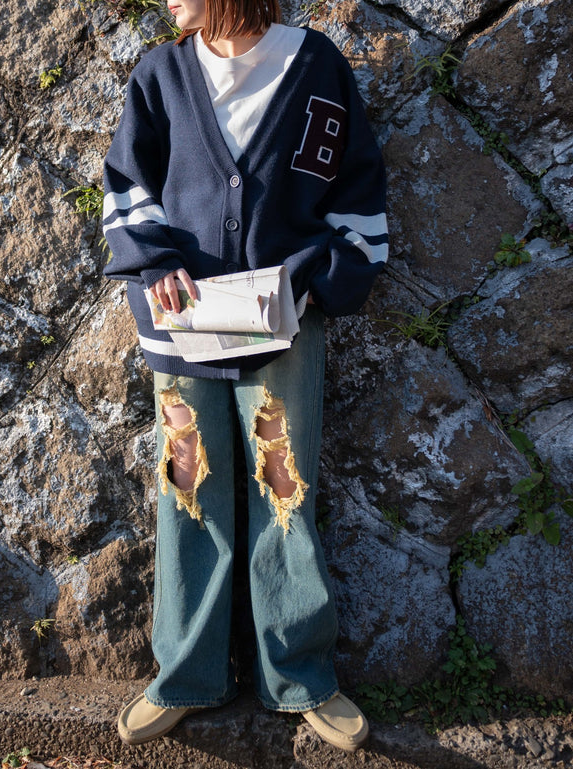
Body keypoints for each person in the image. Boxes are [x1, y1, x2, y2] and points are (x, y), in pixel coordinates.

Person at [102, 0, 388, 752]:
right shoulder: (161, 74)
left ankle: (300, 675)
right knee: (187, 490)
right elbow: (127, 185)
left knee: (284, 490)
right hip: (180, 327)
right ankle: (184, 674)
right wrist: (155, 262)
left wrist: (318, 275)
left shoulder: (315, 67)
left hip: (281, 329)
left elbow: (356, 189)